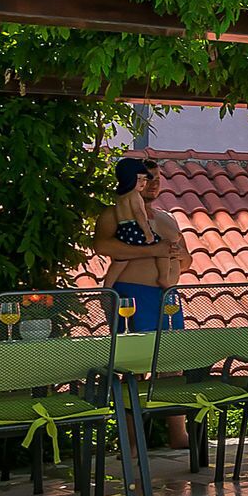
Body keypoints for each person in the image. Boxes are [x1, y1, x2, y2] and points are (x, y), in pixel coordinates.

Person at [95, 157, 189, 444]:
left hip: (166, 299)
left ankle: (178, 434)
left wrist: (172, 256)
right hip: (129, 295)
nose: (154, 182)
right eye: (148, 177)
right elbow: (101, 245)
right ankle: (132, 441)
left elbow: (187, 259)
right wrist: (152, 251)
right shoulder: (113, 214)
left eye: (158, 177)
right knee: (131, 367)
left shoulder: (167, 218)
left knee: (172, 365)